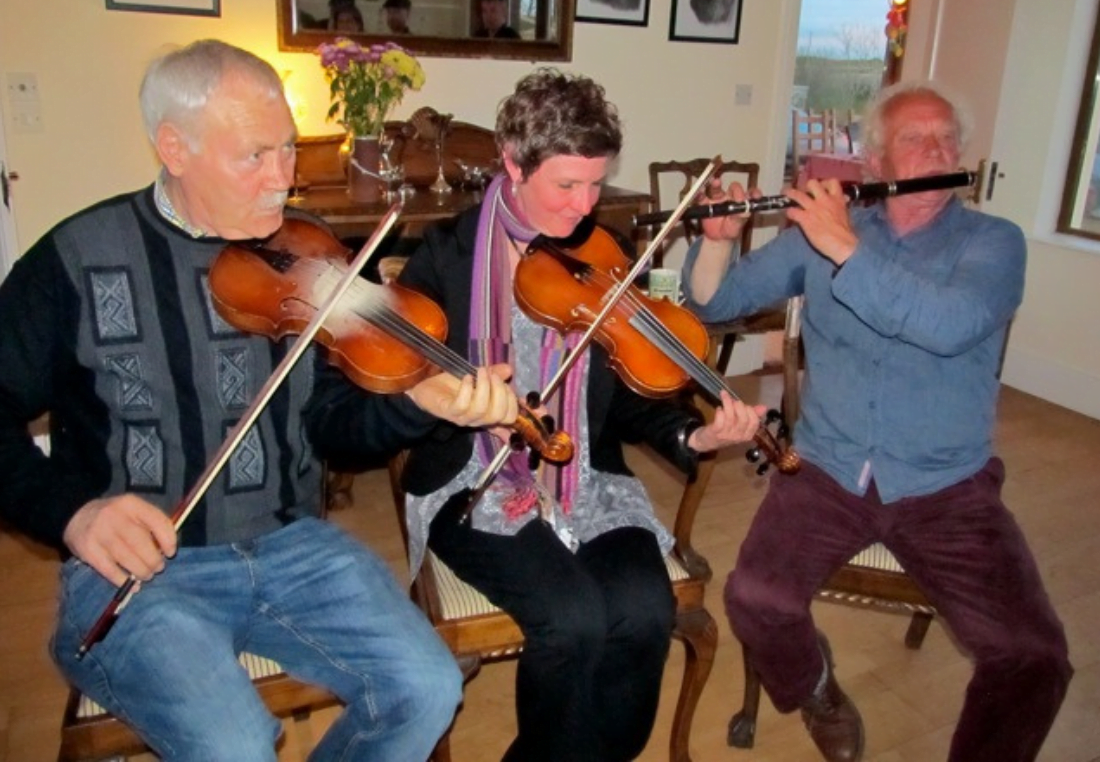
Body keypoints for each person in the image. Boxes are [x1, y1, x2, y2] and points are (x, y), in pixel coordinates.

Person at [0, 39, 525, 760]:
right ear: (174, 148)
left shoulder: (308, 257)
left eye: (289, 151)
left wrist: (421, 403)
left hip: (291, 545)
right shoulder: (74, 259)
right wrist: (74, 512)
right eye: (254, 157)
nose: (282, 181)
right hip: (141, 572)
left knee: (428, 687)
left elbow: (336, 425)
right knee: (237, 746)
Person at [380, 68, 764, 761]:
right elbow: (396, 386)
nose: (584, 205)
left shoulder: (602, 256)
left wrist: (694, 431)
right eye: (566, 185)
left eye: (596, 183)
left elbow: (636, 388)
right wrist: (459, 405)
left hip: (584, 478)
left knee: (645, 614)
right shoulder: (446, 258)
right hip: (477, 484)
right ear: (512, 162)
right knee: (575, 621)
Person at [683, 81, 1072, 762]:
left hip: (946, 484)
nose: (938, 150)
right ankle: (817, 688)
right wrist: (717, 241)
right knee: (755, 597)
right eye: (916, 140)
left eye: (948, 139)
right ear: (877, 164)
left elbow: (948, 325)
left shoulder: (994, 243)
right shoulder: (829, 236)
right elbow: (716, 304)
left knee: (1034, 655)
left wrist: (844, 250)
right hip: (825, 467)